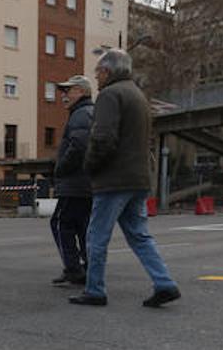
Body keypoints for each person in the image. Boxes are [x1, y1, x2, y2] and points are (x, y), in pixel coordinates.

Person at [70, 49, 180, 308]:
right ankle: (164, 282)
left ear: (107, 72)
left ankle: (95, 290)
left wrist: (90, 166)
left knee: (96, 236)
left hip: (113, 179)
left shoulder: (110, 95)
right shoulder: (138, 96)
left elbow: (103, 137)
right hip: (138, 179)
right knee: (139, 235)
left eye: (97, 72)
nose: (96, 78)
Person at [51, 75, 95, 286]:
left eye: (68, 91)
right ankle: (85, 267)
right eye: (63, 91)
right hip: (86, 183)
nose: (63, 95)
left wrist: (60, 169)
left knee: (61, 223)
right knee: (82, 226)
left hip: (75, 184)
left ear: (82, 92)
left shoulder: (80, 115)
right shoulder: (88, 113)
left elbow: (79, 147)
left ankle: (73, 268)